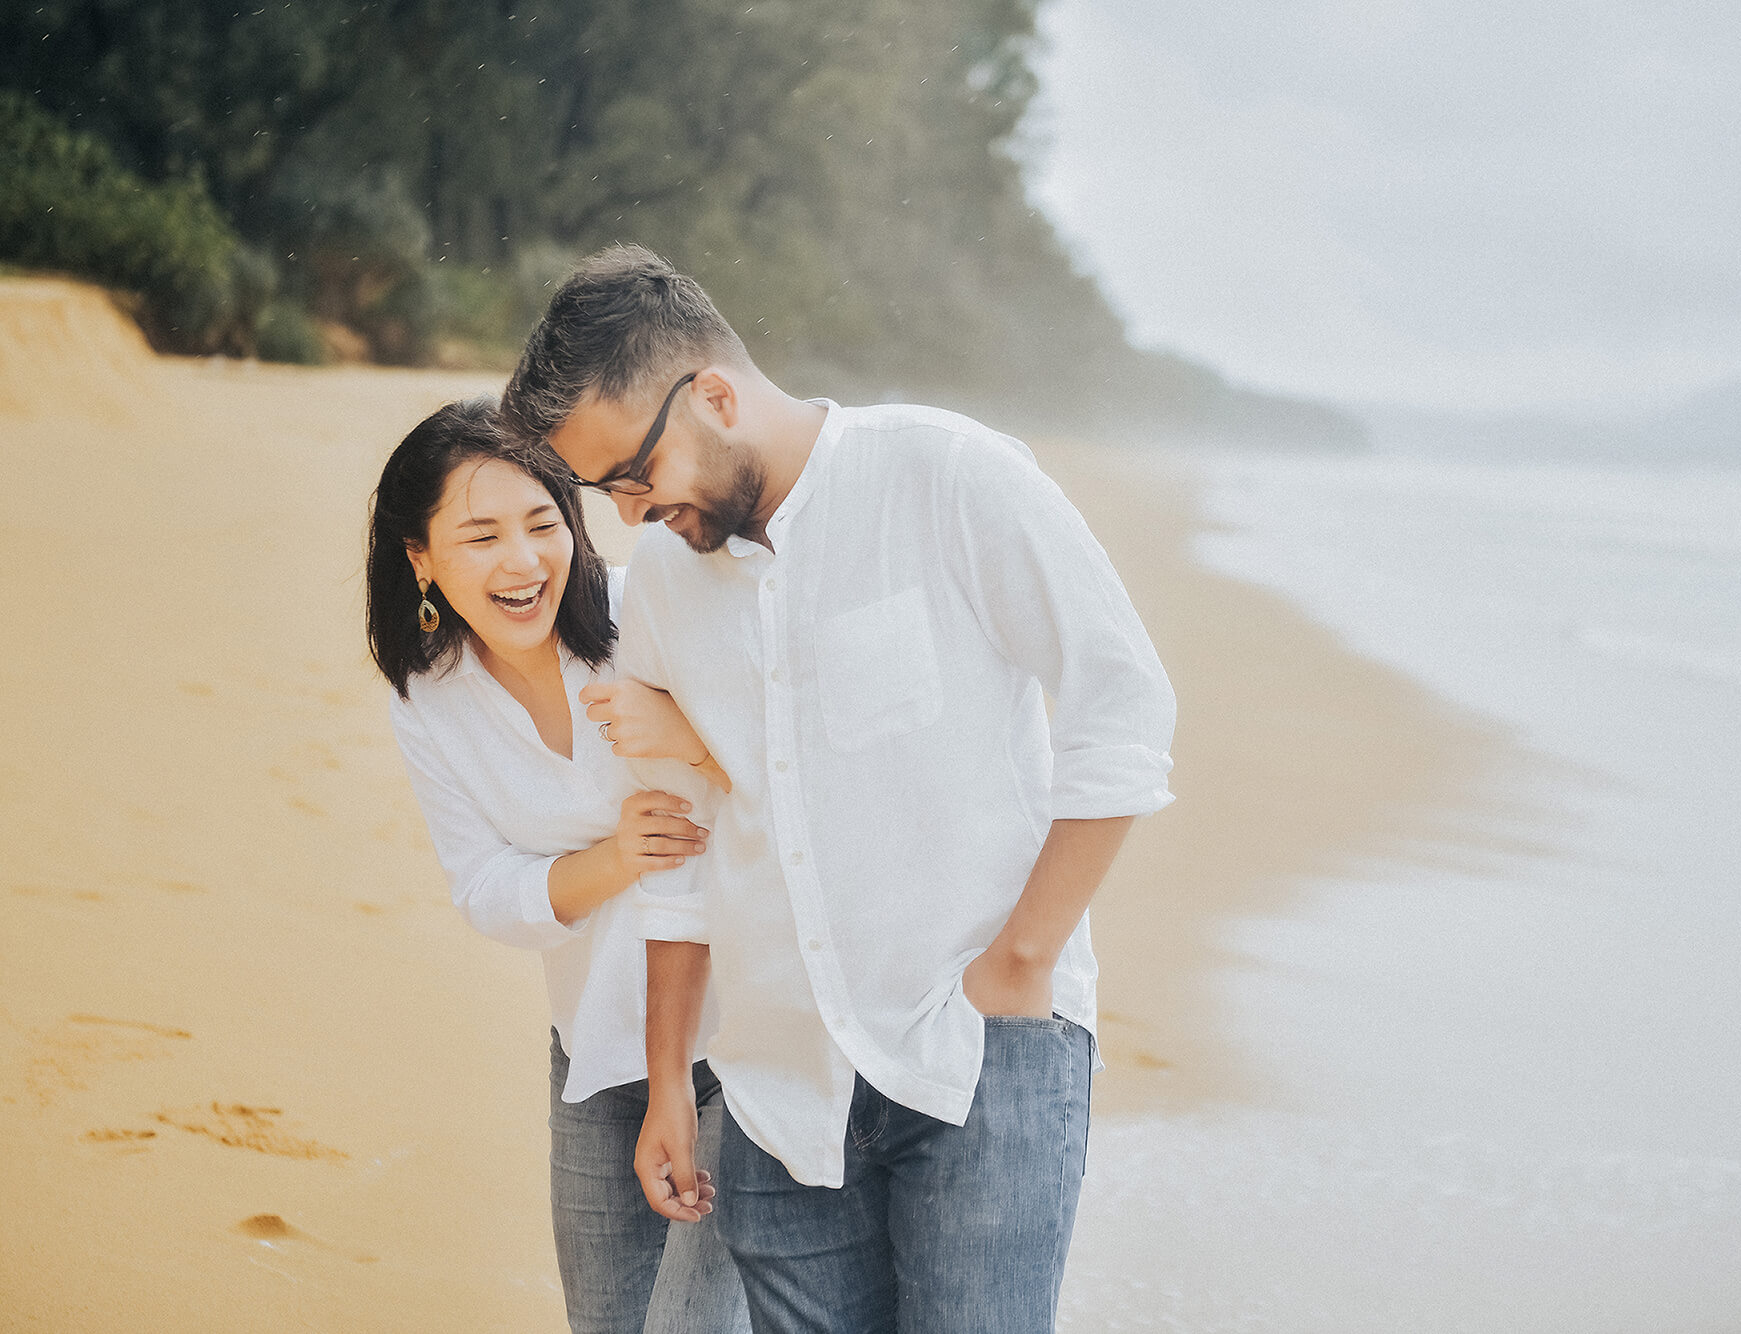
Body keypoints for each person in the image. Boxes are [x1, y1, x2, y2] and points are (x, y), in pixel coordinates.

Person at [501, 246, 1176, 1332]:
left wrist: (1019, 963)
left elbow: (1124, 703)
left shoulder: (948, 475)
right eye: (602, 493)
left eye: (632, 476)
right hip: (780, 1088)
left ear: (713, 394)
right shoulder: (671, 583)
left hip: (975, 1054)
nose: (626, 517)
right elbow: (682, 837)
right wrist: (670, 1074)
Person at [366, 398, 749, 1334]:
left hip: (742, 1044)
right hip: (594, 1045)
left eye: (544, 524)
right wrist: (614, 856)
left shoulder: (644, 615)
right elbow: (486, 892)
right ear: (420, 556)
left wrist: (696, 741)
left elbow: (780, 786)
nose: (524, 562)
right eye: (482, 535)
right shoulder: (430, 698)